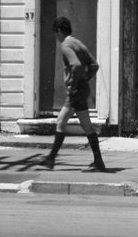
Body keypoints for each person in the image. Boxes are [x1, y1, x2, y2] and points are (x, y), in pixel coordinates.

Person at [40, 16, 106, 172]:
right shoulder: (78, 43)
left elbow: (75, 65)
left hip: (76, 91)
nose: (56, 37)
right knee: (86, 125)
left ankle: (51, 159)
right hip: (83, 89)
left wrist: (74, 83)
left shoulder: (66, 45)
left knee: (61, 121)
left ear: (59, 31)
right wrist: (85, 79)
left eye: (56, 34)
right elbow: (94, 65)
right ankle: (98, 162)